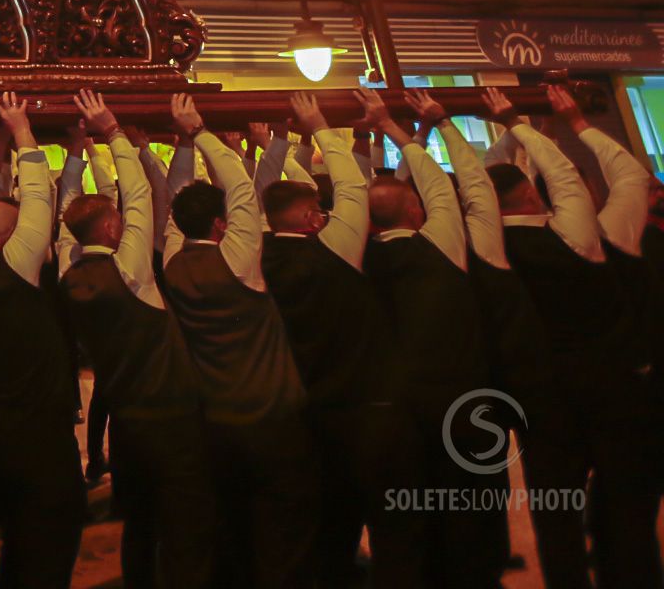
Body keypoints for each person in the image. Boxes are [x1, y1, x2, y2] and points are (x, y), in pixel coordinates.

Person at [483, 87, 662, 589]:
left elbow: (498, 186)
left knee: (555, 513)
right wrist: (573, 122)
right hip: (618, 391)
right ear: (537, 194)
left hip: (542, 400)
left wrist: (516, 131)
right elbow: (629, 176)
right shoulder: (603, 234)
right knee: (627, 509)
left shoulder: (488, 250)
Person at [421, 89, 590, 588]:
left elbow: (480, 183)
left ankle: (487, 562)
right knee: (554, 486)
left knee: (480, 481)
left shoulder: (475, 243)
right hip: (547, 380)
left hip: (485, 378)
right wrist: (518, 125)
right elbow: (533, 179)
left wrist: (429, 131)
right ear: (534, 195)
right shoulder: (572, 240)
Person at [258, 92, 426, 589]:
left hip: (312, 412)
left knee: (331, 527)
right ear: (312, 218)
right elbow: (353, 186)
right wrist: (318, 124)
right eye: (320, 211)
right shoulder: (333, 253)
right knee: (397, 531)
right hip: (371, 407)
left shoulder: (256, 262)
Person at [159, 93, 318, 589]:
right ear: (221, 225)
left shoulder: (172, 265)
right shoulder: (238, 264)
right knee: (282, 524)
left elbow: (173, 204)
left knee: (234, 519)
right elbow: (241, 191)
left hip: (216, 419)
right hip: (270, 416)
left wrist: (187, 143)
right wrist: (201, 133)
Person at [57, 91, 215, 589]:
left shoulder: (70, 271)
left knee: (140, 522)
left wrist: (78, 153)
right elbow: (142, 197)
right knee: (184, 522)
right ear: (110, 225)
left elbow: (66, 218)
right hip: (170, 417)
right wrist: (113, 133)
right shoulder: (130, 274)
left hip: (126, 417)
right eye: (117, 218)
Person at [355, 90, 496, 589]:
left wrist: (398, 134)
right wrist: (402, 129)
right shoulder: (440, 247)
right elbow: (440, 185)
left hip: (394, 412)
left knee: (407, 519)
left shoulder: (354, 261)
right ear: (414, 210)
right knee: (467, 516)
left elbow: (411, 191)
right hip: (460, 405)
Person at [0, 92, 85, 589]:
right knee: (50, 536)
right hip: (38, 434)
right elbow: (36, 200)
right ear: (14, 238)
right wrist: (23, 131)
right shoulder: (17, 265)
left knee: (17, 537)